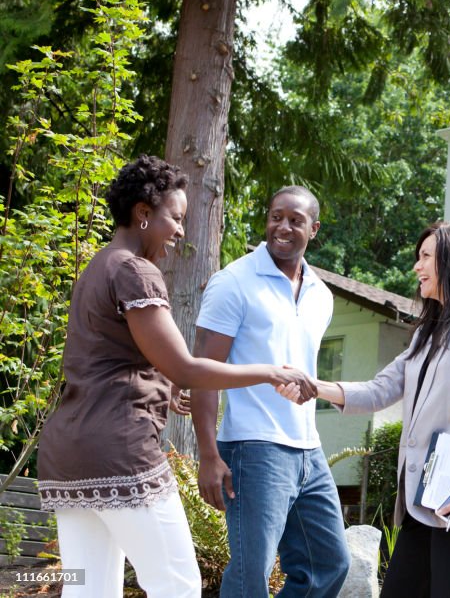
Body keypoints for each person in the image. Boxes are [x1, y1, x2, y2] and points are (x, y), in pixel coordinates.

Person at [36, 155, 317, 598]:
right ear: (143, 214)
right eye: (176, 217)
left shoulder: (98, 266)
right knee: (179, 586)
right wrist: (269, 371)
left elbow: (108, 357)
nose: (182, 231)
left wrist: (162, 385)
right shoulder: (135, 271)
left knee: (89, 590)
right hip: (119, 451)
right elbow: (186, 367)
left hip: (69, 454)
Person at [278, 221, 450, 598]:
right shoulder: (429, 332)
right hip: (422, 500)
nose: (416, 267)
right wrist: (314, 387)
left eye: (425, 257)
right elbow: (380, 389)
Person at [190, 185, 350, 598]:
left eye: (295, 220)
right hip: (252, 447)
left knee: (329, 563)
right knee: (250, 575)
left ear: (313, 229)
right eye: (276, 216)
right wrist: (208, 455)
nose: (283, 226)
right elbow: (204, 372)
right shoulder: (234, 282)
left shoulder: (322, 295)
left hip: (307, 449)